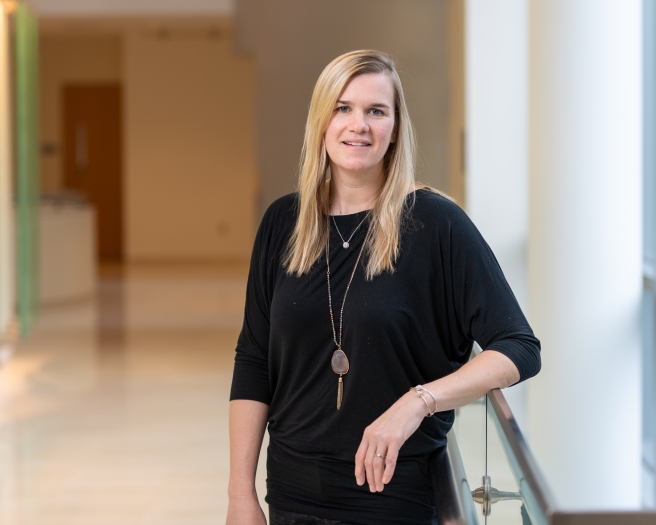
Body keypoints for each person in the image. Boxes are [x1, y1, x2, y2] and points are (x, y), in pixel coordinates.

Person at [226, 50, 541, 525]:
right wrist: (239, 494)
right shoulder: (283, 222)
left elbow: (519, 348)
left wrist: (419, 401)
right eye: (343, 107)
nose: (359, 125)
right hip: (291, 495)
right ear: (321, 121)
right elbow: (254, 358)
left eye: (377, 111)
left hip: (397, 498)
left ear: (395, 127)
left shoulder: (436, 224)